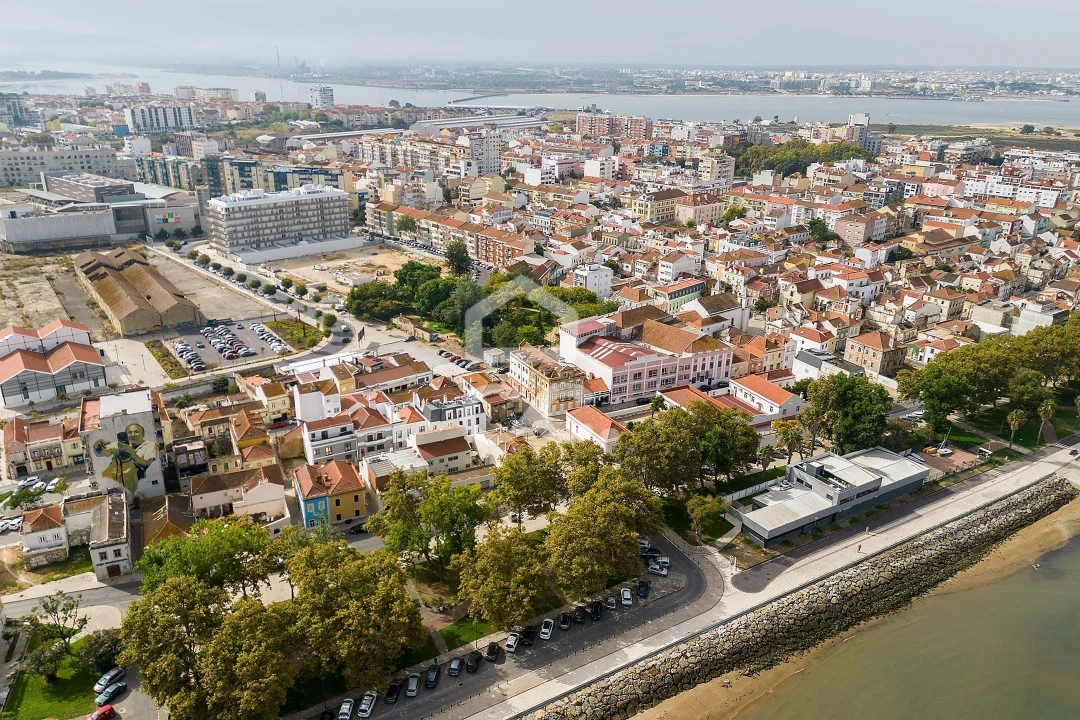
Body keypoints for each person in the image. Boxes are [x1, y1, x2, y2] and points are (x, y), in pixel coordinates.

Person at [93, 423, 157, 494]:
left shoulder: (150, 445)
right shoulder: (119, 444)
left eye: (136, 432)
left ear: (143, 434)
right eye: (129, 433)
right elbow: (100, 454)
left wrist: (131, 453)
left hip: (136, 485)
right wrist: (97, 447)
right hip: (117, 484)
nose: (132, 435)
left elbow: (145, 464)